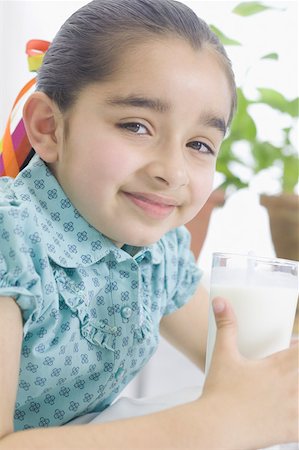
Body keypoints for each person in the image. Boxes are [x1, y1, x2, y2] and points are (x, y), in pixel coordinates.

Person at [0, 0, 298, 448]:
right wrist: (219, 422)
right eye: (137, 126)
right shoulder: (12, 243)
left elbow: (243, 367)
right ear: (49, 128)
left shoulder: (157, 253)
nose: (173, 172)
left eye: (199, 144)